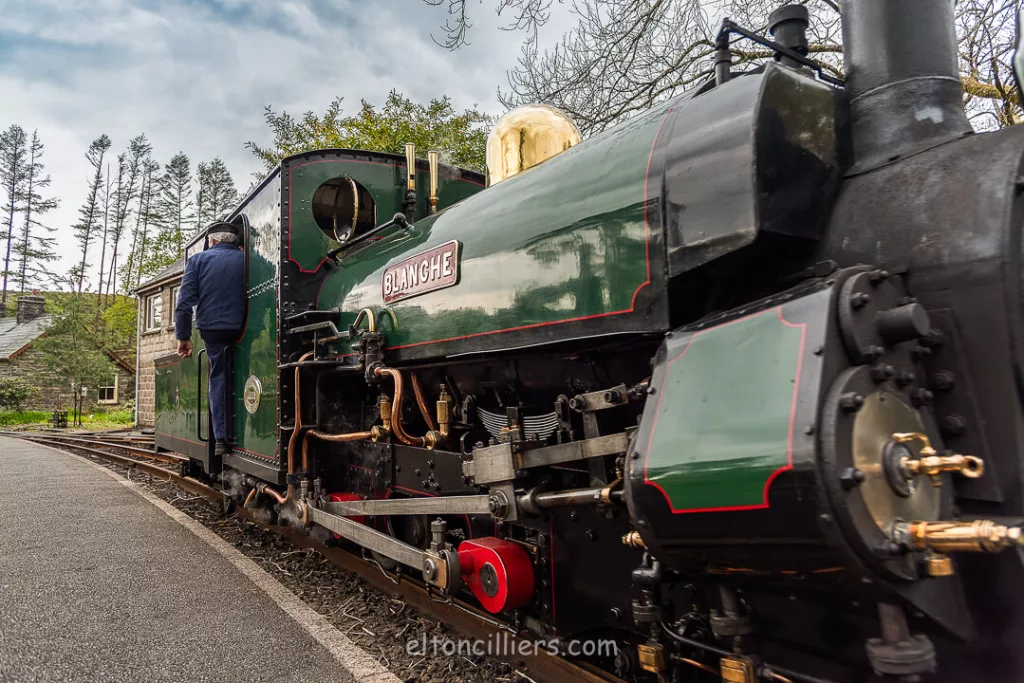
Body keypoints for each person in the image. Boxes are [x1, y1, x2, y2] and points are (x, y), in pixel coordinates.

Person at [175, 221, 245, 456]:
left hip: (213, 329)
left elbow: (184, 304)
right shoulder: (246, 260)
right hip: (245, 325)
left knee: (219, 376)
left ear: (211, 241)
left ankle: (223, 438)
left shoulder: (197, 261)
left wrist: (183, 337)